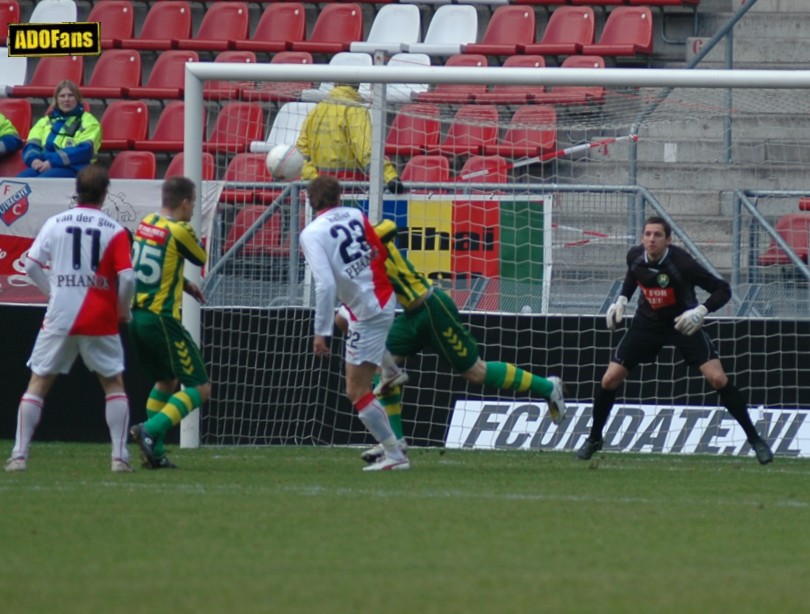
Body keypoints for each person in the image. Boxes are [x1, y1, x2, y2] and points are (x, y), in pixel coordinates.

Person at [339, 219, 567, 464]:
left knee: (476, 373)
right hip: (410, 315)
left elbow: (389, 226)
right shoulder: (352, 256)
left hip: (432, 308)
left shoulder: (364, 239)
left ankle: (548, 387)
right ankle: (395, 443)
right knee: (381, 366)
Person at [576, 215, 774, 465]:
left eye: (658, 235)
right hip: (647, 324)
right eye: (648, 234)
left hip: (683, 324)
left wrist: (701, 311)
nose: (651, 239)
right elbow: (633, 276)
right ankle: (594, 438)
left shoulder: (683, 264)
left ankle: (755, 440)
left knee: (717, 378)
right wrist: (622, 300)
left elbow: (723, 289)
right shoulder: (635, 256)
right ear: (642, 237)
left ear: (668, 240)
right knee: (609, 379)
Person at [5, 165, 136, 473]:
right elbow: (128, 278)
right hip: (100, 316)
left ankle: (19, 456)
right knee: (113, 383)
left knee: (38, 382)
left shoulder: (55, 223)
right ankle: (119, 458)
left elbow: (31, 266)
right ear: (105, 193)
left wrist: (53, 292)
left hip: (60, 314)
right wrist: (122, 309)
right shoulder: (114, 229)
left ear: (77, 191)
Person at [300, 176, 409, 471]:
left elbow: (323, 286)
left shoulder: (311, 233)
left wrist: (321, 333)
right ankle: (390, 369)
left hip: (369, 313)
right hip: (383, 296)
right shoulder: (356, 214)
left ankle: (395, 455)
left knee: (356, 391)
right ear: (339, 196)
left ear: (311, 202)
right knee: (342, 318)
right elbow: (379, 251)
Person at [128, 177, 210, 470]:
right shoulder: (179, 229)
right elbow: (200, 257)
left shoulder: (146, 222)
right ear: (186, 203)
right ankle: (151, 430)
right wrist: (190, 231)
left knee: (166, 380)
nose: (193, 209)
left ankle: (156, 453)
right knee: (200, 388)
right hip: (162, 318)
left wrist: (183, 284)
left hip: (137, 316)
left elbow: (151, 265)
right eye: (194, 203)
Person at [296, 83, 405, 194]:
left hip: (320, 190)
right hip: (350, 190)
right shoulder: (356, 110)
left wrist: (315, 179)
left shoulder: (316, 110)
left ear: (335, 84)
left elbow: (301, 152)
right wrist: (390, 177)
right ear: (358, 85)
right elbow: (366, 151)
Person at [18, 80, 101, 178]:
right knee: (19, 183)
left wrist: (53, 162)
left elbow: (85, 150)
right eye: (62, 96)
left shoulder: (89, 121)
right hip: (44, 165)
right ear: (56, 100)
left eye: (70, 95)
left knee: (42, 182)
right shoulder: (45, 121)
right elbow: (31, 145)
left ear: (77, 98)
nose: (66, 99)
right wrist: (34, 160)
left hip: (75, 168)